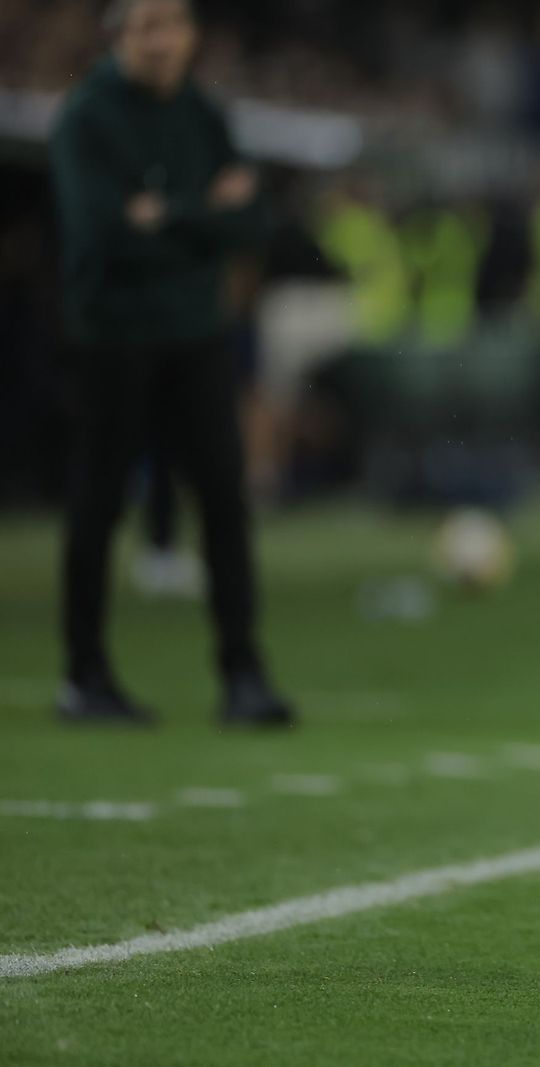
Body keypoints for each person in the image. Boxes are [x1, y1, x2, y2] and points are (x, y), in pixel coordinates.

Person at [49, 0, 293, 725]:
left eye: (172, 24)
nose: (160, 42)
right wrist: (205, 217)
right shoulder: (88, 117)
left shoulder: (202, 115)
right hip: (113, 334)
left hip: (195, 331)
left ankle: (243, 672)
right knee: (100, 499)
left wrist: (169, 213)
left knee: (223, 495)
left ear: (192, 35)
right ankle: (84, 675)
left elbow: (254, 223)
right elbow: (104, 236)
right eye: (144, 27)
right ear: (117, 36)